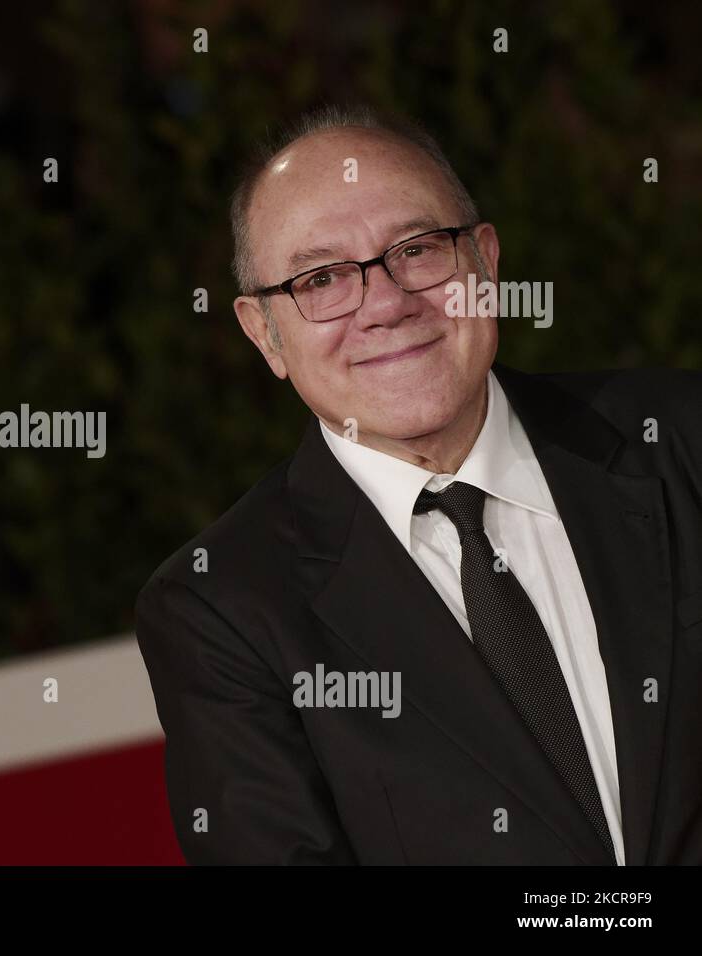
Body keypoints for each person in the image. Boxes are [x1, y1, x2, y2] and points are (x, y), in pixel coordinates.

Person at [134, 104, 702, 864]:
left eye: (419, 249)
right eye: (322, 277)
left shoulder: (683, 441)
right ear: (264, 333)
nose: (388, 304)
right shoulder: (222, 611)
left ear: (488, 263)